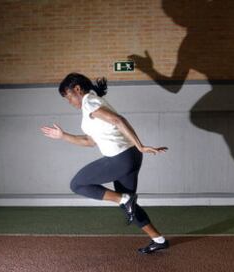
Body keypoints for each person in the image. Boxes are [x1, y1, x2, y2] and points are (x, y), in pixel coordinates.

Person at [40, 72, 169, 254]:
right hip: (130, 157)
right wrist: (63, 136)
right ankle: (158, 239)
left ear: (77, 89)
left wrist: (140, 146)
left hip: (121, 158)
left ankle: (125, 199)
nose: (69, 102)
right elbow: (89, 142)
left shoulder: (89, 102)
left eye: (68, 97)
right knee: (128, 206)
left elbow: (118, 120)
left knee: (77, 184)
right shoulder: (91, 104)